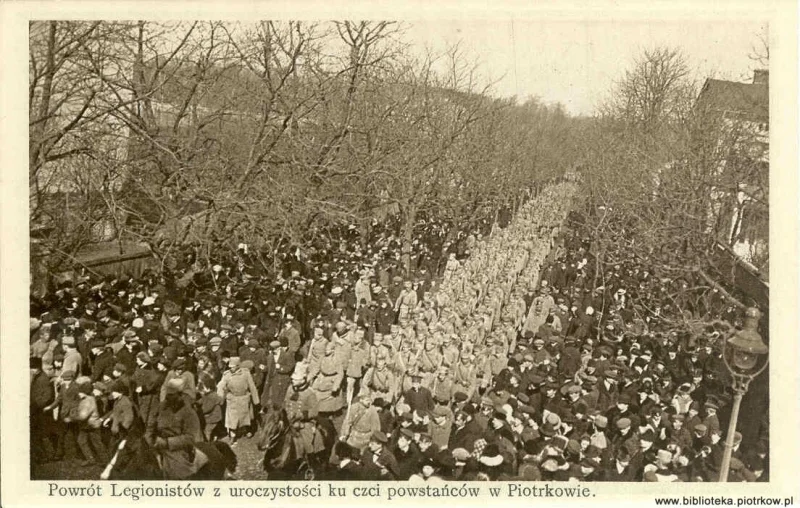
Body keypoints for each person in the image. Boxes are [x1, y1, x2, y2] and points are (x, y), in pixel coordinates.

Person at [145, 378, 204, 480]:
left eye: (173, 395)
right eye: (168, 394)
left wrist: (167, 443)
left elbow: (191, 437)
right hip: (157, 443)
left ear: (181, 395)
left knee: (175, 473)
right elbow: (151, 424)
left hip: (178, 449)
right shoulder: (162, 406)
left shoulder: (189, 412)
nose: (169, 398)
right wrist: (148, 439)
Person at [217, 356, 260, 443]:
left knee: (246, 417)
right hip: (232, 399)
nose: (230, 368)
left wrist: (256, 400)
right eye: (230, 366)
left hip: (244, 399)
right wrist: (220, 398)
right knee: (232, 420)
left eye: (232, 366)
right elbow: (221, 386)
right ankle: (233, 436)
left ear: (237, 366)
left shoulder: (245, 373)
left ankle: (248, 430)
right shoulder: (227, 375)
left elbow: (252, 386)